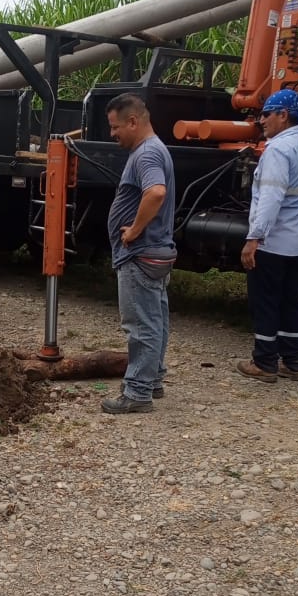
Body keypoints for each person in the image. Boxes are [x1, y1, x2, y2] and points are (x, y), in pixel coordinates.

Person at [237, 89, 298, 383]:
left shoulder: (278, 150)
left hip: (275, 242)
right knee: (290, 301)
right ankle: (295, 361)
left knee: (265, 302)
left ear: (283, 115)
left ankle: (264, 362)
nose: (261, 120)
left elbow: (271, 198)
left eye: (266, 114)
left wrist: (254, 239)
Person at [101, 93, 176, 415]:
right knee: (155, 320)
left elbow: (155, 192)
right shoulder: (155, 149)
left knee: (140, 325)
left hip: (140, 254)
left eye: (115, 127)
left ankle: (137, 392)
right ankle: (153, 378)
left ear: (133, 121)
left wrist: (132, 230)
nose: (112, 134)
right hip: (155, 252)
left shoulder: (146, 154)